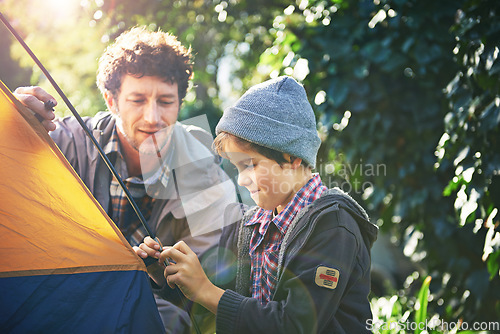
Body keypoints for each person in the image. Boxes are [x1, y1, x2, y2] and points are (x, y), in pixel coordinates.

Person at [14, 26, 236, 334]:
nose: (152, 117)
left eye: (166, 101)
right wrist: (11, 123)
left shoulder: (206, 173)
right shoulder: (64, 141)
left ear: (180, 103)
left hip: (151, 313)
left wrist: (159, 272)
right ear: (111, 100)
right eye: (138, 99)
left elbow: (213, 281)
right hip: (60, 299)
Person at [136, 76, 379, 333]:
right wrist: (165, 274)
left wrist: (205, 290)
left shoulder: (333, 226)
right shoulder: (248, 226)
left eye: (249, 164)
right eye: (237, 167)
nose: (242, 179)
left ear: (292, 157)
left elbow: (295, 325)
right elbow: (216, 305)